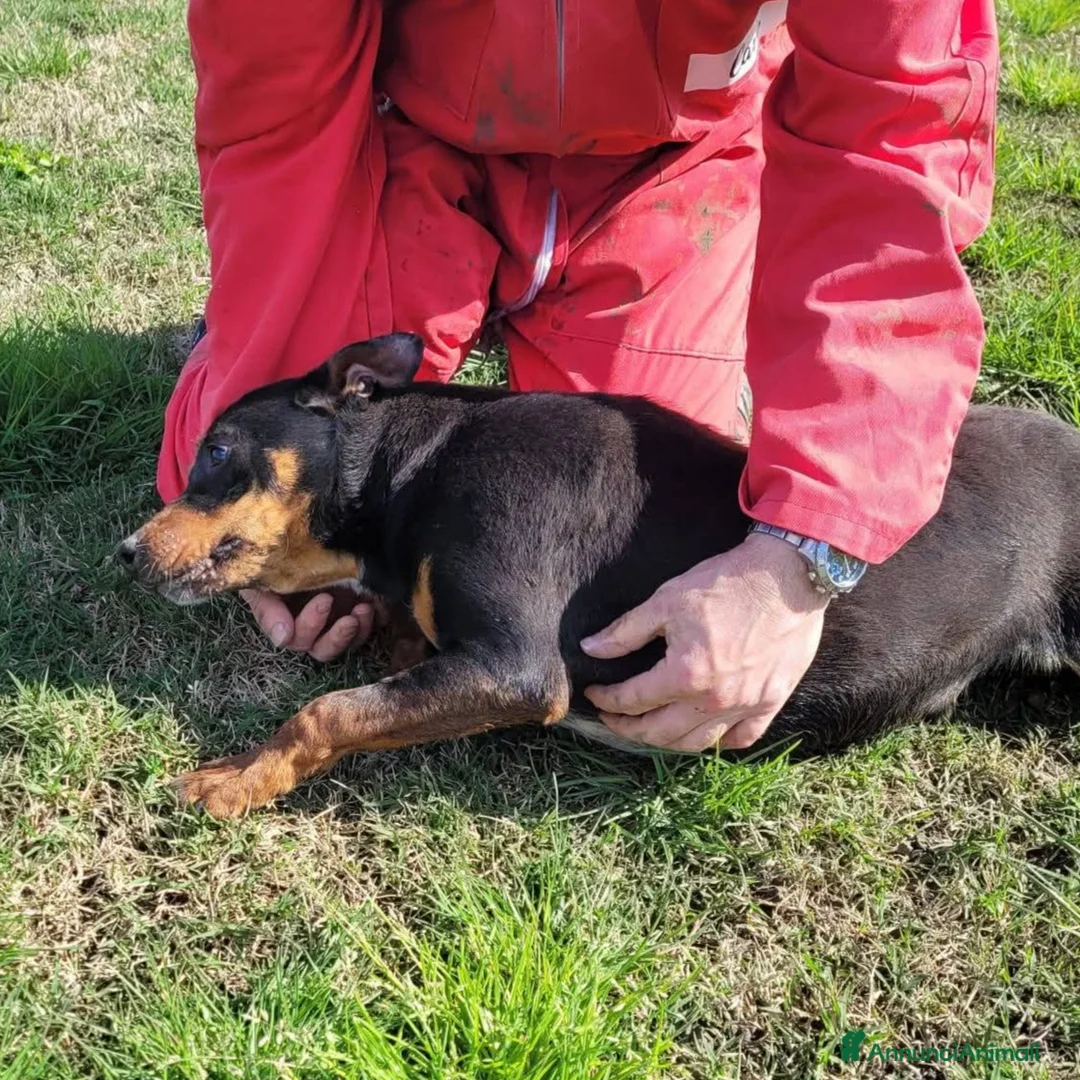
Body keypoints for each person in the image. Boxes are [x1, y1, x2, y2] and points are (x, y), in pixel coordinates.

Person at [158, 0, 998, 753]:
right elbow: (273, 109)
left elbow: (892, 142)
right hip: (406, 139)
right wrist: (259, 424)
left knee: (639, 536)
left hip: (671, 165)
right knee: (297, 441)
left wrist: (810, 547)